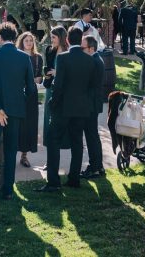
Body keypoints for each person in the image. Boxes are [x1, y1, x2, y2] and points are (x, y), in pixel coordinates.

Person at [37, 27, 101, 191]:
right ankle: (74, 179)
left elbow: (58, 86)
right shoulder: (90, 60)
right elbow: (91, 86)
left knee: (53, 141)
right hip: (81, 108)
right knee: (77, 143)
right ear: (80, 41)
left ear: (67, 40)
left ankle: (53, 182)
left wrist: (53, 102)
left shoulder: (64, 58)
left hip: (63, 108)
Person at [0, 23, 37, 202]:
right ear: (14, 37)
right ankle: (8, 191)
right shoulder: (24, 58)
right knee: (11, 151)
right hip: (16, 111)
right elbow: (32, 88)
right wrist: (19, 103)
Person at [17, 31, 44, 169]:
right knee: (16, 125)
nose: (29, 43)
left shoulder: (38, 58)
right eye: (26, 40)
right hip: (17, 96)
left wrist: (29, 81)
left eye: (31, 40)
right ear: (21, 42)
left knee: (29, 125)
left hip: (31, 96)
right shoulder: (16, 56)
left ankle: (24, 155)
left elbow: (39, 78)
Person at [80, 35, 105, 179]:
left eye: (83, 48)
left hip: (90, 105)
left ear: (91, 48)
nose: (81, 50)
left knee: (91, 136)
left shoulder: (94, 62)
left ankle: (95, 168)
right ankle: (98, 166)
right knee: (93, 136)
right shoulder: (95, 59)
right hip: (93, 104)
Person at [42, 26, 69, 143]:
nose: (51, 39)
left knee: (62, 114)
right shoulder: (50, 50)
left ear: (61, 37)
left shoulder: (69, 52)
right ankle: (48, 140)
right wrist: (47, 72)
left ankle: (63, 140)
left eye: (54, 37)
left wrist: (58, 72)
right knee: (48, 113)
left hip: (65, 88)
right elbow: (47, 66)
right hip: (51, 86)